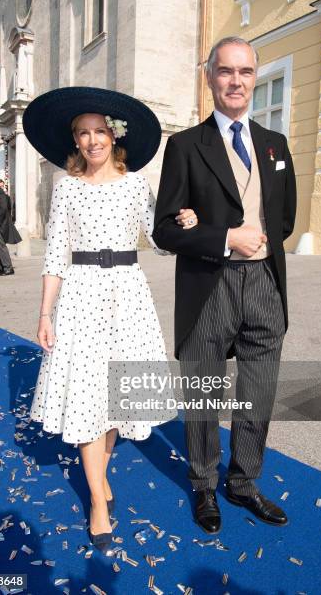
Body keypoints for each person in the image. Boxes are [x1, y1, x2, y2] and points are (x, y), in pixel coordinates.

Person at [22, 86, 198, 553]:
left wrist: (183, 224)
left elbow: (157, 241)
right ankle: (99, 499)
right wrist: (45, 312)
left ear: (114, 136)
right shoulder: (66, 187)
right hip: (80, 293)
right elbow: (56, 253)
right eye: (83, 133)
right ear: (75, 140)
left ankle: (99, 479)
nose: (92, 140)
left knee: (114, 393)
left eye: (99, 130)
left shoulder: (136, 182)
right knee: (85, 393)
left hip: (127, 293)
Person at [153, 37, 297, 533]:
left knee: (258, 394)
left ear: (254, 77)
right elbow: (165, 230)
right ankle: (203, 486)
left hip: (263, 286)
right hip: (207, 287)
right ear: (210, 76)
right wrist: (222, 237)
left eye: (246, 72)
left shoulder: (275, 146)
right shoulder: (185, 146)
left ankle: (243, 483)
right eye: (226, 72)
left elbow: (284, 220)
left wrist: (253, 245)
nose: (236, 81)